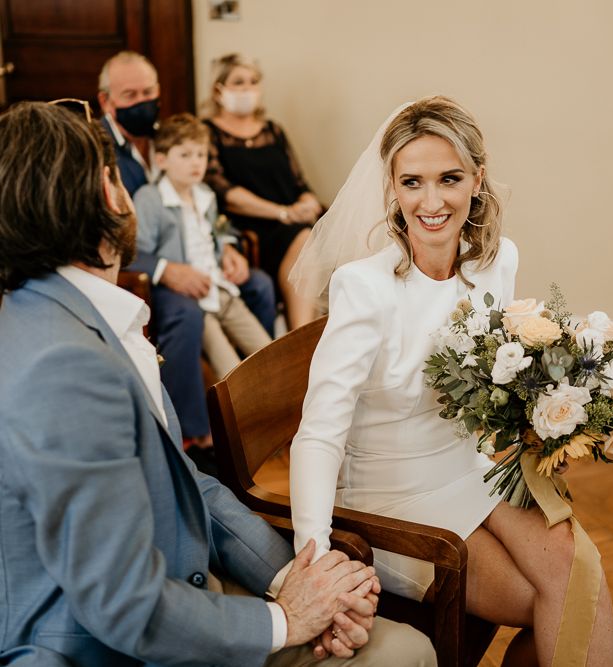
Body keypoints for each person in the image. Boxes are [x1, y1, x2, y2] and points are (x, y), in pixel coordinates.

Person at [0, 101, 437, 667]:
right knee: (405, 655)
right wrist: (287, 619)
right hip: (111, 647)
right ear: (109, 196)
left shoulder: (71, 319)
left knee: (397, 644)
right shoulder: (64, 365)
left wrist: (294, 579)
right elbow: (124, 606)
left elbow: (188, 486)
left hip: (186, 588)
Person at [289, 97, 613, 666]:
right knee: (558, 600)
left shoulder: (497, 261)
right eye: (412, 182)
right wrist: (315, 564)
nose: (432, 201)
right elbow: (318, 434)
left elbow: (502, 374)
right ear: (392, 187)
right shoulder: (363, 287)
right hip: (394, 498)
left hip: (475, 471)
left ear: (477, 180)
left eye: (450, 179)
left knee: (577, 573)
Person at [98, 51, 276, 451]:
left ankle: (274, 413)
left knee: (260, 288)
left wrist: (229, 248)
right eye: (131, 94)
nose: (143, 100)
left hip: (212, 278)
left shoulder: (189, 169)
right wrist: (166, 269)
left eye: (149, 91)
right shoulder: (106, 152)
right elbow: (125, 241)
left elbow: (217, 226)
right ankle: (197, 432)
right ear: (107, 100)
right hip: (149, 276)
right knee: (188, 313)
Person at [133, 112, 271, 381]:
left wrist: (228, 247)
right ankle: (242, 417)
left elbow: (218, 233)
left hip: (222, 290)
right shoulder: (150, 199)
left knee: (267, 350)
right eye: (185, 155)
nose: (196, 163)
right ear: (161, 160)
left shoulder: (205, 194)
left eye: (201, 155)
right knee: (232, 371)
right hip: (195, 299)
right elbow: (138, 250)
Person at [203, 53, 321, 330]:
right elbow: (225, 193)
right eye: (238, 82)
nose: (247, 88)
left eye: (253, 81)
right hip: (250, 231)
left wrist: (307, 203)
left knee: (314, 234)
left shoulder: (273, 131)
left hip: (291, 222)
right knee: (304, 238)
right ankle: (301, 338)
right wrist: (282, 213)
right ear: (219, 90)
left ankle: (310, 338)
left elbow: (300, 183)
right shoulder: (209, 132)